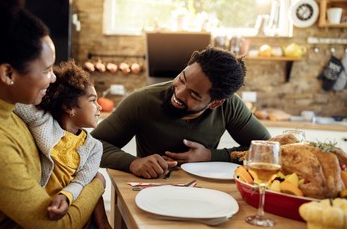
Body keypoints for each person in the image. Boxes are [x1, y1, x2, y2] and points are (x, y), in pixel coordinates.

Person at [0, 0, 104, 229]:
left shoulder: (9, 106)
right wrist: (98, 184)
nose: (54, 77)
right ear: (8, 74)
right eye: (47, 69)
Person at [91, 46, 271, 179]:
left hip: (206, 192)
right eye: (182, 79)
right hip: (149, 189)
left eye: (193, 94)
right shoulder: (142, 101)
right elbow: (91, 146)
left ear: (215, 103)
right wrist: (132, 163)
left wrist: (209, 156)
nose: (178, 93)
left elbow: (267, 149)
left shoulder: (230, 106)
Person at [12, 59, 123, 229]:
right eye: (92, 100)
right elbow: (11, 98)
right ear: (69, 107)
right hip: (48, 221)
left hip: (78, 212)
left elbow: (82, 180)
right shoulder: (43, 124)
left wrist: (65, 197)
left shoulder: (94, 147)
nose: (99, 107)